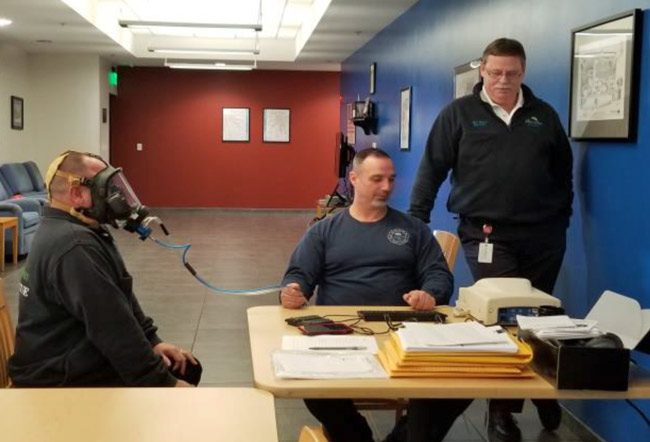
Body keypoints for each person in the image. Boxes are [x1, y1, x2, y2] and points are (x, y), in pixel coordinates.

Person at [409, 38, 573, 442]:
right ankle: (502, 412)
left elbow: (563, 170)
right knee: (508, 315)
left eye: (512, 73)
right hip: (486, 234)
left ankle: (540, 386)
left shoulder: (543, 115)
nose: (503, 80)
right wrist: (416, 222)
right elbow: (431, 169)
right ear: (482, 69)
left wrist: (560, 218)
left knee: (540, 316)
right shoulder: (460, 114)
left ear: (523, 72)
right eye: (496, 72)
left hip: (544, 235)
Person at [281, 147, 470, 442]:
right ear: (354, 178)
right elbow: (298, 276)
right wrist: (293, 292)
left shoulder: (413, 229)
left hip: (402, 333)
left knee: (463, 384)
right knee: (312, 387)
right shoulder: (325, 231)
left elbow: (439, 275)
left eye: (391, 179)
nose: (387, 187)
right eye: (377, 179)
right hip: (340, 334)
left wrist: (430, 294)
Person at [8, 151, 201, 387]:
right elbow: (113, 329)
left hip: (70, 355)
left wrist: (153, 341)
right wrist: (164, 385)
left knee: (186, 367)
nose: (116, 198)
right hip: (57, 377)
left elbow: (119, 299)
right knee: (182, 377)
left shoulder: (76, 229)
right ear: (76, 193)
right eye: (107, 188)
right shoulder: (75, 246)